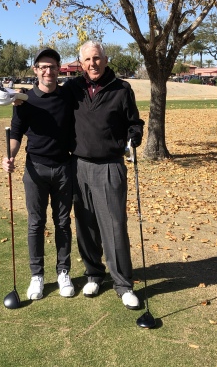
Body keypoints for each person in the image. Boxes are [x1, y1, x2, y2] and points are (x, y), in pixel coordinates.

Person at [65, 40, 144, 310]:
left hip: (110, 165)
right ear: (81, 62)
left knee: (114, 226)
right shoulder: (73, 88)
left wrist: (134, 137)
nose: (92, 64)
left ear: (106, 59)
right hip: (78, 166)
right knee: (85, 225)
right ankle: (94, 274)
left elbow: (134, 123)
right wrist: (20, 101)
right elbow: (49, 102)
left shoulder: (122, 89)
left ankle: (123, 284)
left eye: (97, 58)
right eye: (87, 60)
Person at [2, 48, 75, 300]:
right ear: (35, 70)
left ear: (58, 69)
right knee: (36, 223)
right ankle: (37, 276)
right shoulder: (24, 101)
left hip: (65, 167)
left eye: (52, 66)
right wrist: (9, 156)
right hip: (35, 169)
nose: (48, 71)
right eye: (43, 67)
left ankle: (63, 272)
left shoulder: (68, 96)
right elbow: (16, 134)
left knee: (63, 223)